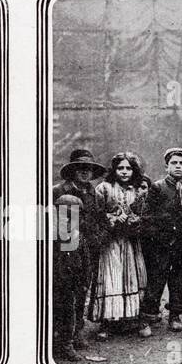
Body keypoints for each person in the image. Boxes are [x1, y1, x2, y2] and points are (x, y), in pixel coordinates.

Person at [140, 147, 182, 331]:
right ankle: (148, 316)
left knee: (180, 279)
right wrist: (157, 237)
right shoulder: (157, 188)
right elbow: (148, 216)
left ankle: (175, 315)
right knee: (156, 278)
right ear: (166, 167)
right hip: (160, 243)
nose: (178, 166)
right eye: (174, 163)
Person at [87, 152, 151, 339]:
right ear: (114, 169)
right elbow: (96, 214)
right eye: (120, 168)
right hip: (111, 242)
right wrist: (113, 217)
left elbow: (143, 213)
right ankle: (108, 322)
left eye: (128, 168)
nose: (124, 172)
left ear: (134, 170)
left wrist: (133, 219)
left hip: (131, 241)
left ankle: (133, 318)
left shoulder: (138, 189)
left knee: (132, 277)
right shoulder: (103, 188)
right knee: (111, 278)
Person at [52, 149, 106, 350]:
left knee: (82, 291)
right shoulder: (58, 191)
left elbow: (102, 220)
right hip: (65, 250)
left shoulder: (93, 192)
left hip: (88, 249)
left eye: (89, 169)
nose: (85, 172)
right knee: (64, 294)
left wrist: (98, 239)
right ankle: (62, 340)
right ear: (73, 170)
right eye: (80, 168)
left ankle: (77, 333)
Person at [52, 193, 90, 362]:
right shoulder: (51, 239)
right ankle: (53, 343)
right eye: (63, 216)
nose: (67, 221)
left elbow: (86, 263)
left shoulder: (79, 238)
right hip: (55, 284)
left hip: (71, 284)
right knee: (54, 314)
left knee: (69, 315)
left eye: (72, 217)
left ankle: (67, 345)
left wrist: (84, 282)